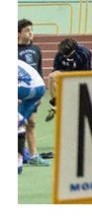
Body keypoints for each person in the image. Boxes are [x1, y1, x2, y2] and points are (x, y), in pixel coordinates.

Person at [18, 20, 48, 167]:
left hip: (33, 93)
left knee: (31, 123)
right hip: (19, 93)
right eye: (27, 30)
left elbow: (39, 71)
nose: (30, 33)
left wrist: (40, 94)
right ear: (18, 33)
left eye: (31, 30)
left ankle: (34, 155)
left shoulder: (36, 49)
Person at [44, 37, 92, 122]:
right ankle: (56, 104)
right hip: (66, 71)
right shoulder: (59, 54)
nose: (67, 57)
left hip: (80, 72)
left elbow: (87, 72)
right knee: (52, 76)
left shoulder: (84, 53)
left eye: (69, 55)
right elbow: (56, 69)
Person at [18, 59, 47, 172]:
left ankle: (21, 156)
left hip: (26, 88)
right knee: (20, 123)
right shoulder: (19, 62)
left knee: (19, 123)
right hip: (40, 88)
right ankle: (21, 158)